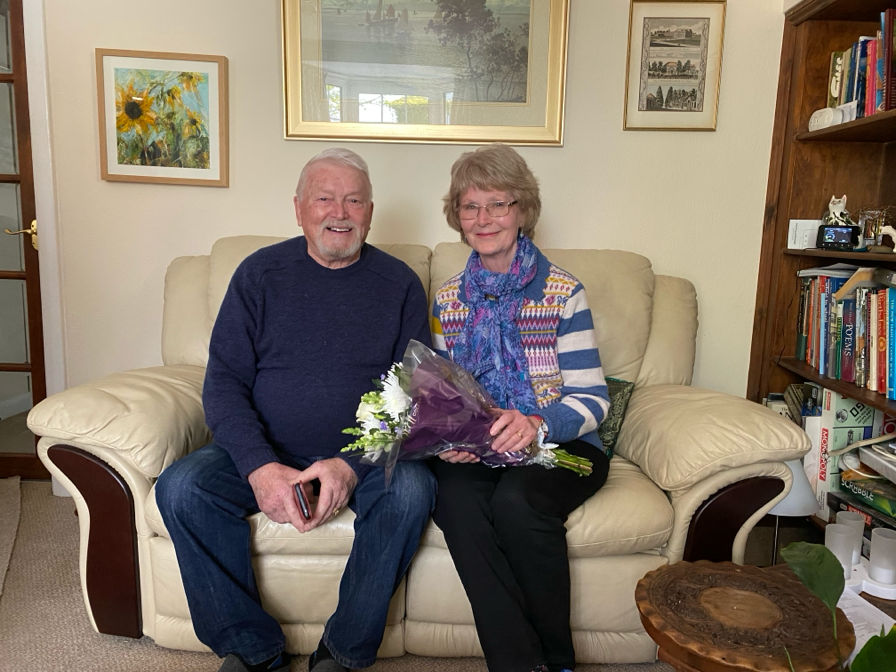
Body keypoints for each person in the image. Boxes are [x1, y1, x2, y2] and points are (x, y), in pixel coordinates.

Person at [155, 148, 436, 672]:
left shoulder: (398, 284)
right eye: (325, 198)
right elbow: (223, 385)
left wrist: (351, 466)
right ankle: (252, 649)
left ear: (370, 212)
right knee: (181, 488)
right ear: (299, 207)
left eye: (354, 200)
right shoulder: (259, 274)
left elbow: (409, 394)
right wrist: (260, 467)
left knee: (414, 489)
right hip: (267, 447)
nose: (340, 212)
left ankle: (344, 652)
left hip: (362, 455)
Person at [429, 144, 612, 672]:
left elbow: (592, 399)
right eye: (471, 206)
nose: (484, 219)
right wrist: (454, 438)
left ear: (523, 211)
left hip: (565, 448)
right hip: (479, 451)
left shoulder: (562, 293)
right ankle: (516, 663)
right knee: (457, 505)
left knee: (517, 502)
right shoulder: (448, 301)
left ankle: (556, 660)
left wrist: (536, 424)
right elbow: (445, 396)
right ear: (457, 217)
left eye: (498, 204)